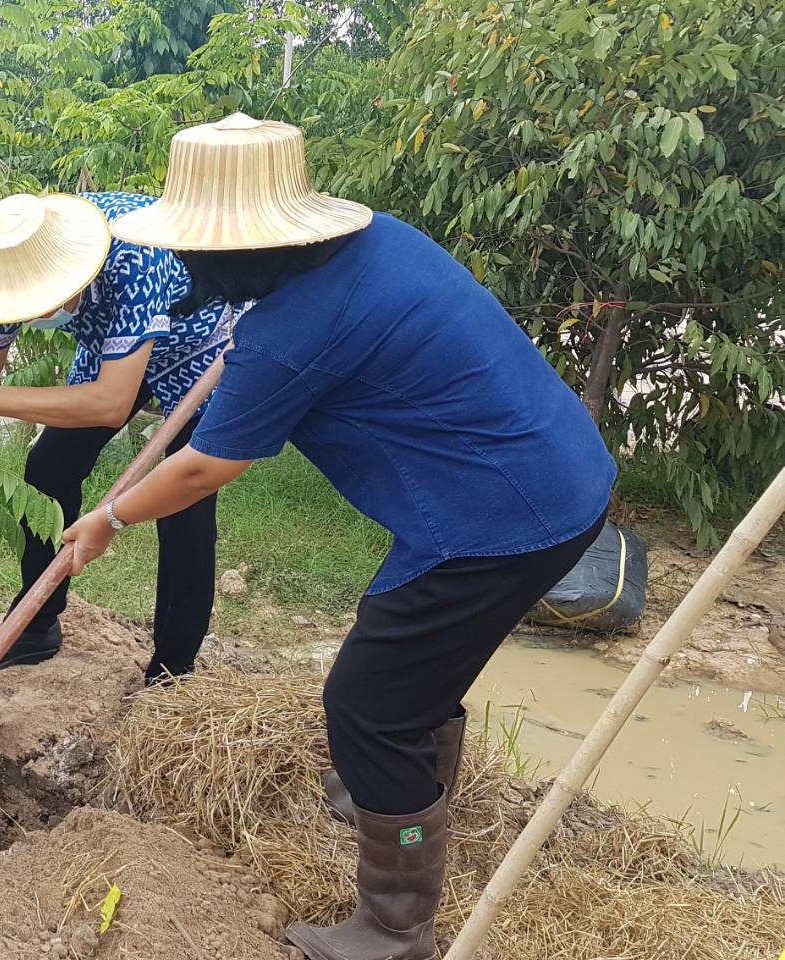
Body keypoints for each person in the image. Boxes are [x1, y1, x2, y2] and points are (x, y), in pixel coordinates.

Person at [58, 114, 615, 960]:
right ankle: (392, 800)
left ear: (245, 252)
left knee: (367, 706)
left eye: (194, 251)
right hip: (552, 473)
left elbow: (206, 467)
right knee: (407, 674)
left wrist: (107, 520)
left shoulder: (287, 335)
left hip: (501, 519)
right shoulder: (374, 244)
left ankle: (393, 928)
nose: (180, 266)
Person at [0, 192, 244, 682]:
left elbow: (110, 403)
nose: (36, 314)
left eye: (46, 304)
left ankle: (172, 669)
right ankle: (37, 624)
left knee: (184, 498)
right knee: (48, 468)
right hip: (113, 345)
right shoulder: (8, 265)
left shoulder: (136, 257)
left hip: (197, 344)